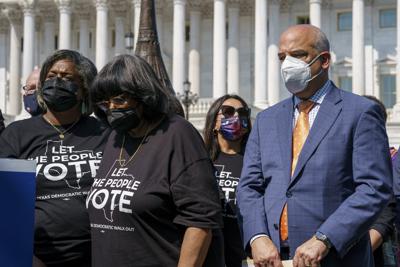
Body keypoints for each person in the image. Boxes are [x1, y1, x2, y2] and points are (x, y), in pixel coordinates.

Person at [237, 24, 392, 267]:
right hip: (273, 257)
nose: (288, 64)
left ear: (325, 60)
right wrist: (258, 236)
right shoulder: (267, 119)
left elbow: (374, 187)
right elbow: (249, 187)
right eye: (282, 57)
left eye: (298, 55)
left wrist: (324, 238)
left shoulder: (360, 113)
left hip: (334, 256)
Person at [87, 54, 223, 267]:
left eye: (120, 99)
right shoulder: (115, 138)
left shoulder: (177, 134)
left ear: (143, 95)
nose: (112, 108)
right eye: (105, 104)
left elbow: (200, 219)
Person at [0, 49, 110, 267]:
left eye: (67, 78)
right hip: (36, 255)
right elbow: (7, 201)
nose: (57, 82)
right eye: (51, 77)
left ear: (83, 89)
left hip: (97, 253)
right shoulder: (17, 134)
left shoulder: (105, 133)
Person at [204, 94, 251, 267]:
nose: (236, 117)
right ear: (214, 123)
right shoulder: (201, 160)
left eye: (242, 112)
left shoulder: (254, 163)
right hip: (208, 256)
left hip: (243, 258)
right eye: (228, 112)